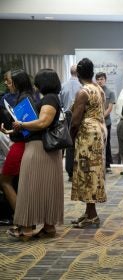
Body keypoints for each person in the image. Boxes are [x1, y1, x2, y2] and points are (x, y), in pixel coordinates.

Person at [7, 69, 64, 240]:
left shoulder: (48, 99)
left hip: (38, 148)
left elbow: (43, 122)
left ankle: (26, 230)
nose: (35, 85)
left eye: (38, 81)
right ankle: (48, 227)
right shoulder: (52, 98)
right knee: (46, 188)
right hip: (46, 149)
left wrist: (22, 124)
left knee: (29, 187)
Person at [70, 58, 107, 228]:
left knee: (87, 171)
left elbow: (76, 120)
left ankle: (92, 215)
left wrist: (70, 137)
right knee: (93, 170)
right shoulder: (98, 89)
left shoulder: (83, 92)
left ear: (78, 73)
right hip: (98, 131)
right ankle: (88, 212)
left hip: (87, 135)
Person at [0, 70, 37, 221]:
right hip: (21, 143)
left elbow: (27, 127)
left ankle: (22, 219)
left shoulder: (24, 98)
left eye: (10, 82)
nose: (8, 85)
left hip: (21, 145)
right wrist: (9, 130)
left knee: (5, 181)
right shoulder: (28, 96)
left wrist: (15, 129)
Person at [59, 65, 82, 182]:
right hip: (81, 117)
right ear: (79, 73)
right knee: (81, 144)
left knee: (70, 145)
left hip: (68, 116)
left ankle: (70, 172)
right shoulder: (83, 86)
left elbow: (60, 104)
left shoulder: (62, 85)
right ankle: (80, 171)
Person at [95, 72, 116, 174]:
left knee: (106, 144)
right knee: (96, 144)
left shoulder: (110, 92)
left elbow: (110, 107)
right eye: (98, 79)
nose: (100, 81)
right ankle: (98, 164)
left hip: (106, 122)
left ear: (105, 80)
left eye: (102, 79)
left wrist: (102, 117)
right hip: (95, 123)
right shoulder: (94, 92)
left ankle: (107, 165)